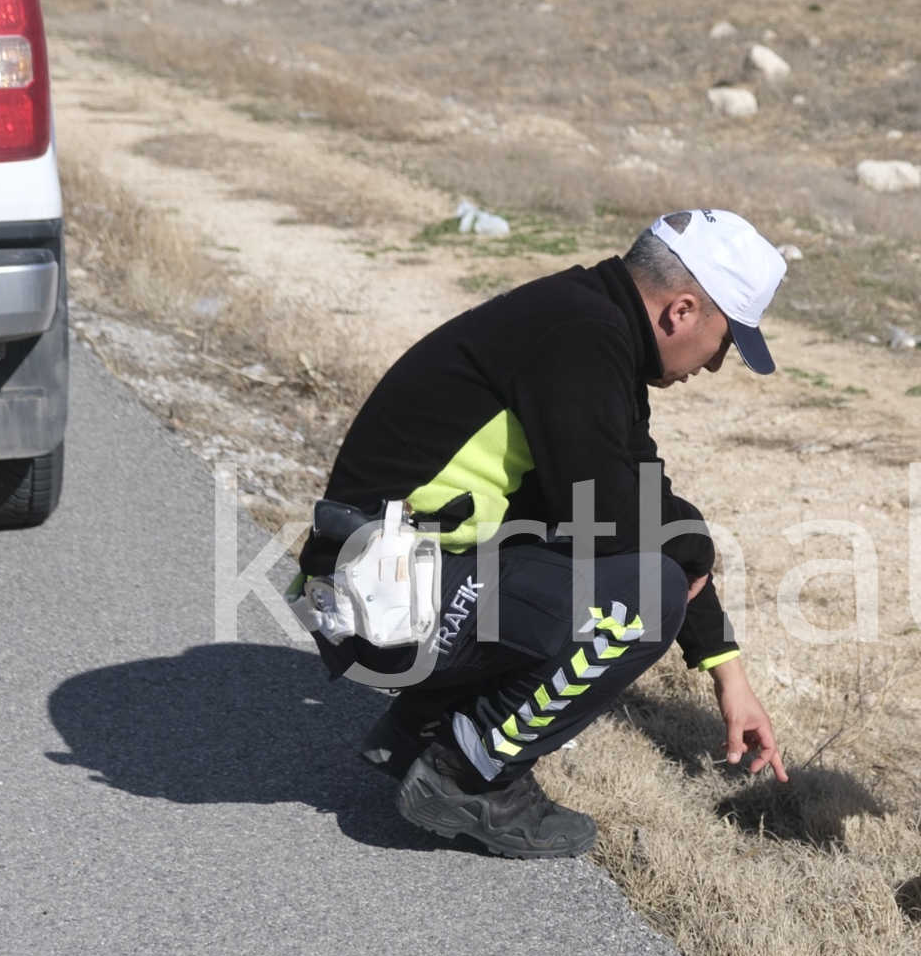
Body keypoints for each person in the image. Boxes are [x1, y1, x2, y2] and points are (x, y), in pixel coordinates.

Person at [296, 209, 791, 860]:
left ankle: (423, 727)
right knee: (645, 592)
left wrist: (725, 667)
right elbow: (617, 519)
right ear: (683, 311)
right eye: (727, 341)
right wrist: (696, 545)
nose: (718, 364)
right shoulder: (582, 339)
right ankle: (465, 773)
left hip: (383, 578)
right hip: (376, 601)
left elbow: (637, 496)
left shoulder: (587, 323)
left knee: (616, 553)